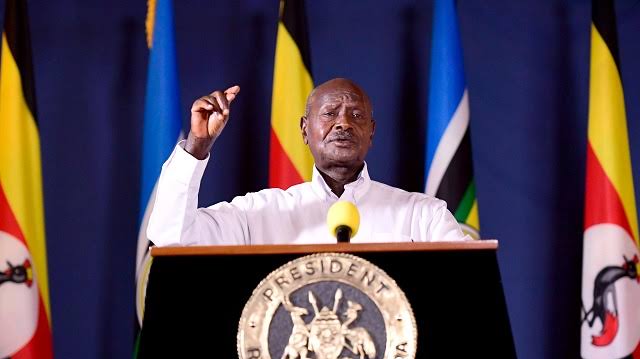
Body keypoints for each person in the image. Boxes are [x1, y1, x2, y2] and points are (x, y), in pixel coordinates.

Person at [147, 78, 467, 245]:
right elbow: (172, 236)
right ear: (304, 130)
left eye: (356, 115)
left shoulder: (422, 216)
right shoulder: (259, 214)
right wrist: (197, 146)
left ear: (371, 132)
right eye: (330, 113)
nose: (343, 124)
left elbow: (467, 277)